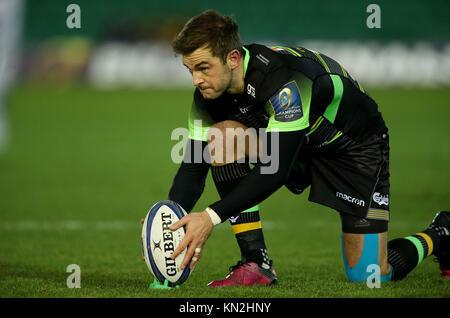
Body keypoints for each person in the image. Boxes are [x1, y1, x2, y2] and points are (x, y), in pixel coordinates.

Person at [167, 10, 449, 287]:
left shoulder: (284, 80)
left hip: (355, 149)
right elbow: (194, 165)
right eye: (190, 69)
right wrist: (169, 223)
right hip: (295, 144)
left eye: (203, 68)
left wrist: (209, 217)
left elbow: (274, 170)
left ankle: (441, 233)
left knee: (371, 273)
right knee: (222, 138)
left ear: (233, 58)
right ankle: (256, 263)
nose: (196, 80)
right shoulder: (208, 95)